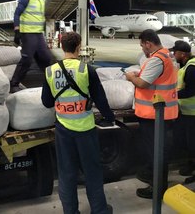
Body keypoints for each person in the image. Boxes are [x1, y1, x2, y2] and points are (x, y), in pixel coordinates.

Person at [42, 32, 114, 214]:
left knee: (66, 174)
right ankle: (99, 210)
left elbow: (47, 102)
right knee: (92, 173)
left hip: (63, 130)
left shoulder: (50, 71)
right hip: (85, 130)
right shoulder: (86, 70)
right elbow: (100, 98)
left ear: (61, 46)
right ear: (78, 47)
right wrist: (109, 117)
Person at [125, 29, 178, 199]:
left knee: (156, 152)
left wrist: (130, 77)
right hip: (160, 113)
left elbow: (143, 83)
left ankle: (157, 189)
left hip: (155, 114)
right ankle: (155, 180)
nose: (142, 49)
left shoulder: (157, 59)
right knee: (158, 151)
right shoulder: (165, 56)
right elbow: (154, 78)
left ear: (148, 43)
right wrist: (138, 74)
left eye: (142, 45)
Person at [10, 0, 51, 93]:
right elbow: (17, 14)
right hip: (28, 33)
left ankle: (52, 81)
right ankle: (14, 83)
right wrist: (17, 30)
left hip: (38, 33)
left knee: (45, 58)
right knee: (27, 60)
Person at [170, 40, 195, 176]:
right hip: (186, 111)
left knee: (192, 143)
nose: (173, 54)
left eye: (175, 52)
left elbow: (191, 91)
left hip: (192, 113)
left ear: (183, 54)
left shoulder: (191, 68)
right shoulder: (186, 67)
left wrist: (172, 95)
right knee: (184, 140)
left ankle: (192, 166)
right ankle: (190, 163)